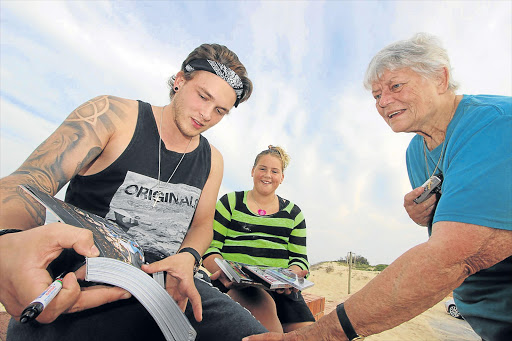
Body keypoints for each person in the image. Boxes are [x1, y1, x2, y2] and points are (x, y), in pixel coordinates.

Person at [244, 33, 511, 341]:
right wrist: (429, 214)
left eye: (396, 86)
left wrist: (312, 337)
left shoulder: (495, 125)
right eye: (376, 95)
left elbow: (450, 258)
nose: (383, 102)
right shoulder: (416, 151)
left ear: (441, 78)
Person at [0, 43, 269, 340]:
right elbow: (31, 179)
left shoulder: (212, 159)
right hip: (80, 277)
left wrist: (189, 256)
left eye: (220, 110)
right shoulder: (112, 115)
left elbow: (203, 224)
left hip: (166, 284)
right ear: (180, 81)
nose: (206, 115)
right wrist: (7, 239)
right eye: (203, 96)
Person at [202, 145, 315, 333]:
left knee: (309, 334)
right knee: (267, 323)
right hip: (235, 285)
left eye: (274, 171)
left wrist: (291, 277)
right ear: (253, 171)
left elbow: (299, 259)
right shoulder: (230, 202)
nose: (267, 175)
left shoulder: (294, 214)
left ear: (282, 177)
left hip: (281, 289)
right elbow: (211, 247)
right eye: (262, 168)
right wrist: (225, 272)